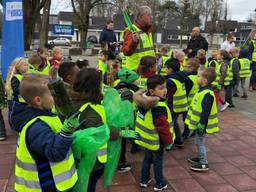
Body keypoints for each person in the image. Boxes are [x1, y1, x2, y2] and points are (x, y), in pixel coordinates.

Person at [72, 68, 138, 192]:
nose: (103, 86)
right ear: (94, 87)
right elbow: (101, 132)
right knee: (88, 184)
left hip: (79, 156)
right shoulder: (90, 111)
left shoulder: (75, 101)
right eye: (101, 84)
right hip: (92, 160)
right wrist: (120, 132)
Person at [11, 74, 79, 191]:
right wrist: (67, 132)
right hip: (46, 186)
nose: (56, 98)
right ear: (38, 100)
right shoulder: (36, 127)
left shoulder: (44, 115)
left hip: (53, 184)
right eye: (52, 95)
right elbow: (55, 153)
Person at [135, 75, 174, 191]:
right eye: (161, 88)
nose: (165, 90)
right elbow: (163, 128)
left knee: (147, 158)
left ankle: (144, 179)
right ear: (152, 91)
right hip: (157, 141)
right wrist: (168, 142)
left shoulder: (143, 101)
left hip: (146, 139)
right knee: (158, 161)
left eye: (165, 87)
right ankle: (160, 183)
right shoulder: (159, 107)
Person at [186, 67, 219, 171]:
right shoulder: (202, 90)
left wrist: (202, 124)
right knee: (198, 141)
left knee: (199, 142)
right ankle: (200, 157)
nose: (197, 77)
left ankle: (204, 163)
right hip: (198, 123)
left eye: (199, 76)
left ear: (204, 80)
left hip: (202, 124)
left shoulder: (207, 94)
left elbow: (205, 111)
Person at [122, 6, 155, 71]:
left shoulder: (148, 32)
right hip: (135, 73)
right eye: (149, 15)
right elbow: (125, 52)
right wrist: (133, 42)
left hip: (147, 71)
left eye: (151, 14)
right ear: (140, 17)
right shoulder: (131, 31)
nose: (151, 17)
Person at [166, 58, 188, 146]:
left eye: (166, 68)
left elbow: (166, 93)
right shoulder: (181, 77)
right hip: (181, 105)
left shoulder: (171, 81)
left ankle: (171, 142)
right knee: (174, 122)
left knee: (170, 124)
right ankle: (179, 140)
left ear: (170, 69)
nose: (165, 70)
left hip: (173, 106)